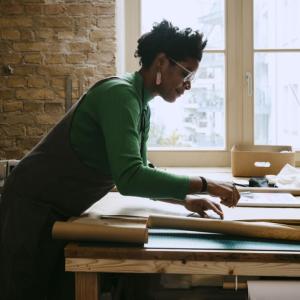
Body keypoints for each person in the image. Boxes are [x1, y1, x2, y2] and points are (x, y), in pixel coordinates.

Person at [0, 20, 240, 300]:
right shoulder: (120, 94)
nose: (188, 85)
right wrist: (205, 184)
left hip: (59, 211)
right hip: (29, 209)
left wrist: (185, 200)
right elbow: (130, 178)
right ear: (161, 62)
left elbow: (141, 171)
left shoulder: (141, 105)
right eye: (186, 73)